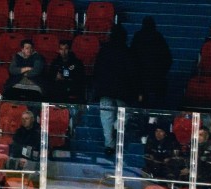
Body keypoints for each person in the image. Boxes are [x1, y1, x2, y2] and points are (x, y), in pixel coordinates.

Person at [91, 24, 132, 157]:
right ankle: (116, 126)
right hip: (122, 91)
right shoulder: (127, 51)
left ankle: (109, 145)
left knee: (106, 118)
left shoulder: (104, 51)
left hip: (104, 90)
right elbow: (132, 73)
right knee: (125, 114)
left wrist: (96, 87)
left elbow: (97, 70)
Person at [129, 17, 172, 108]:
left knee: (141, 101)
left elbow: (132, 57)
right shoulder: (158, 37)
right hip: (156, 78)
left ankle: (141, 112)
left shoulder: (138, 37)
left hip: (141, 78)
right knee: (156, 103)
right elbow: (167, 58)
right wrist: (161, 72)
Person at [48, 40, 85, 105]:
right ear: (59, 50)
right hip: (58, 89)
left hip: (72, 88)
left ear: (69, 50)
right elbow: (50, 77)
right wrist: (56, 77)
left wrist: (66, 78)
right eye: (61, 49)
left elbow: (81, 79)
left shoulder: (77, 63)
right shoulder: (55, 63)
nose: (64, 52)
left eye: (66, 49)